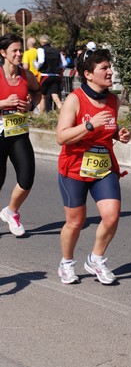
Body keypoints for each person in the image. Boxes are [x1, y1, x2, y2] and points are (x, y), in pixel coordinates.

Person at [56, 48, 130, 285]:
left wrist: (119, 133)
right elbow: (61, 137)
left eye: (109, 67)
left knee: (111, 216)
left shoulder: (112, 100)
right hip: (75, 168)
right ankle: (66, 263)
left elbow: (108, 127)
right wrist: (89, 126)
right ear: (88, 74)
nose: (110, 72)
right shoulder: (74, 99)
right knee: (76, 221)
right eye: (104, 68)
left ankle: (95, 259)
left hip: (103, 167)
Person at [0, 33, 41, 236]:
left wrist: (30, 104)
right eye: (14, 50)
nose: (18, 54)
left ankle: (11, 211)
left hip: (18, 132)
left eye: (20, 50)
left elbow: (37, 92)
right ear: (3, 53)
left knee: (27, 178)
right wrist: (3, 104)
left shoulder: (26, 75)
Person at [35, 35, 65, 113]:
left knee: (43, 97)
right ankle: (62, 113)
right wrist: (58, 68)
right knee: (55, 96)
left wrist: (37, 66)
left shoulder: (41, 49)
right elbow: (64, 63)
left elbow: (41, 61)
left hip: (45, 76)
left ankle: (41, 116)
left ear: (41, 42)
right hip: (55, 76)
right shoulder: (56, 51)